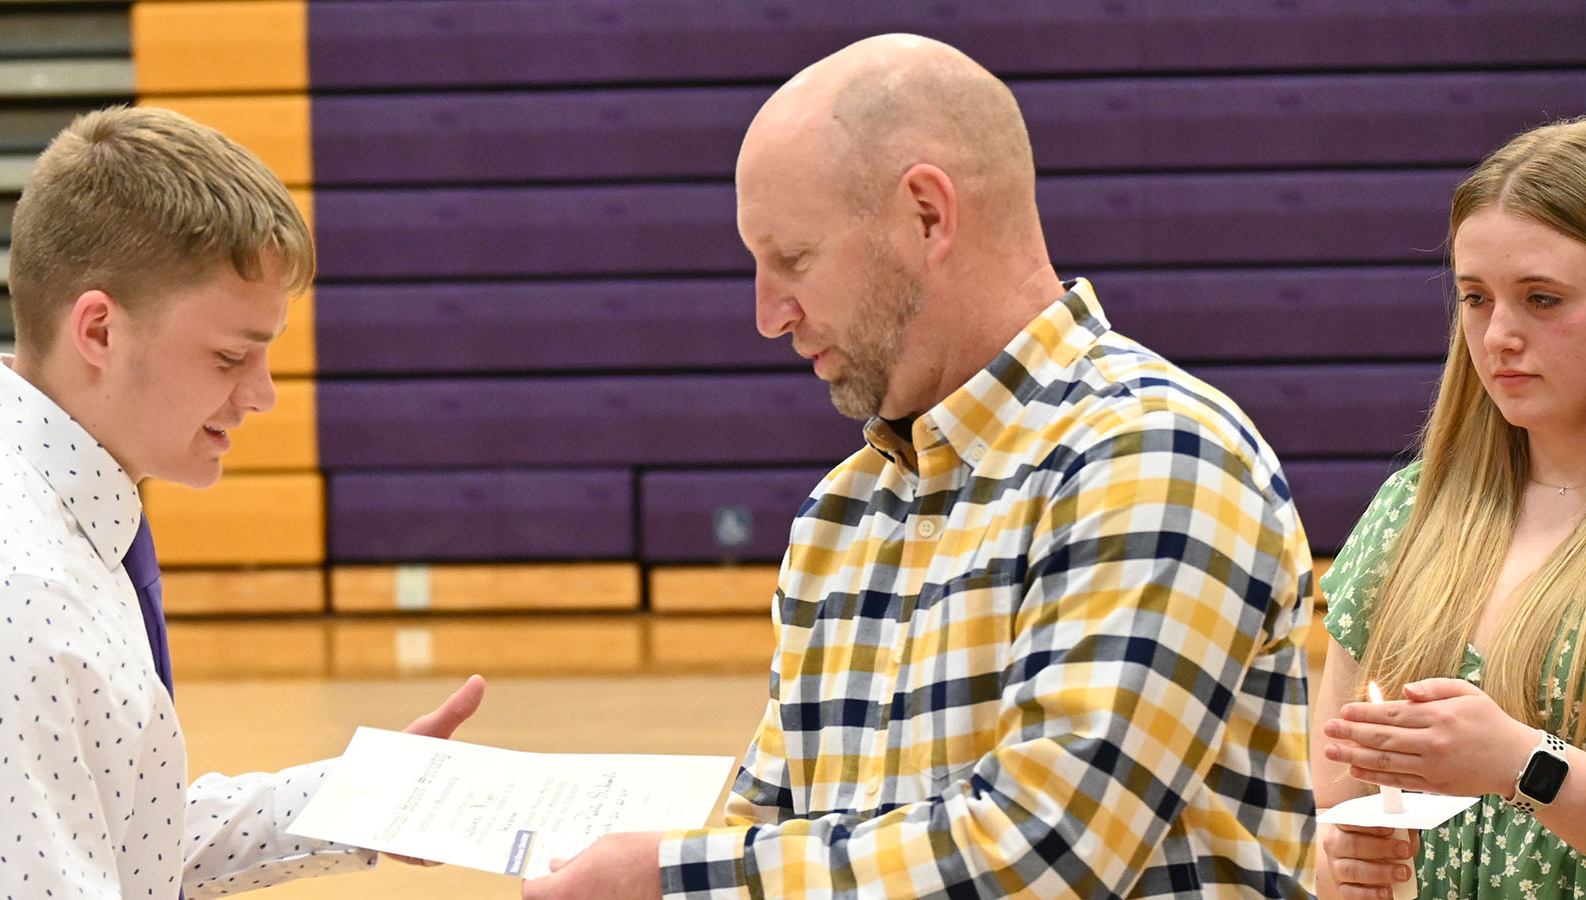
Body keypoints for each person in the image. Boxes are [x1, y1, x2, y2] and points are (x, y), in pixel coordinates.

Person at [523, 34, 1316, 900]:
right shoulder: (843, 513)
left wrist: (670, 882)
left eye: (792, 258)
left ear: (928, 215)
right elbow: (769, 841)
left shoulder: (1154, 454)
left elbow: (1045, 855)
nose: (767, 314)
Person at [0, 106, 486, 900]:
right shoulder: (7, 593)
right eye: (228, 356)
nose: (262, 395)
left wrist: (366, 798)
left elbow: (117, 836)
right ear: (101, 332)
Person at [1314, 117, 1586, 900]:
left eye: (1542, 299)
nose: (1498, 335)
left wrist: (1523, 765)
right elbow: (1334, 806)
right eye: (1475, 298)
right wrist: (1344, 861)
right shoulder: (1410, 513)